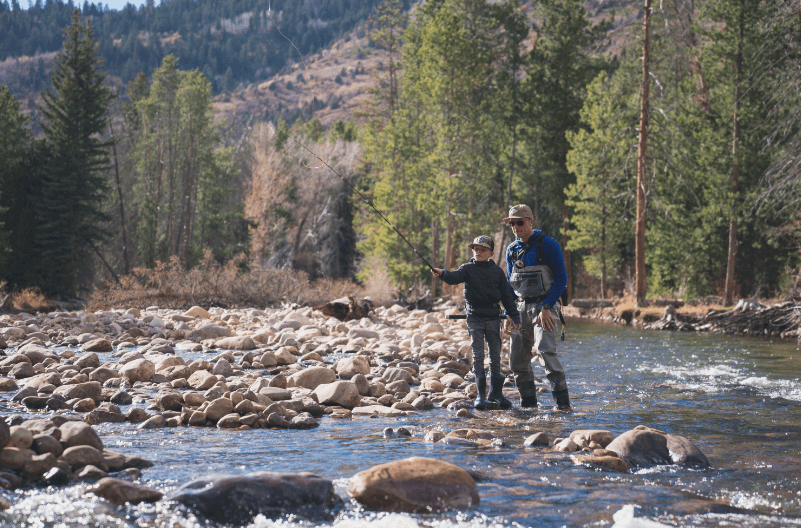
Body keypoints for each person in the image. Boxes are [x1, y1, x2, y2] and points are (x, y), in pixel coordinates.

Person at [431, 235, 521, 410]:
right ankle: (480, 395)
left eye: (483, 249)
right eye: (476, 249)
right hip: (474, 318)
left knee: (495, 357)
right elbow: (453, 277)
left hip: (494, 318)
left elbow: (506, 297)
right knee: (479, 357)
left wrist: (515, 317)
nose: (478, 252)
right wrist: (442, 273)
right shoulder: (467, 269)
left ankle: (496, 394)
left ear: (491, 253)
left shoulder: (497, 272)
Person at [503, 204, 572, 411]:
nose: (516, 227)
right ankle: (529, 405)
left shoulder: (548, 245)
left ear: (530, 222)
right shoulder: (511, 250)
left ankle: (563, 405)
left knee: (545, 352)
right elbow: (509, 284)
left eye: (520, 222)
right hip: (520, 307)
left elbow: (561, 279)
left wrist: (547, 306)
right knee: (516, 361)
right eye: (512, 223)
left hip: (546, 306)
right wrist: (508, 312)